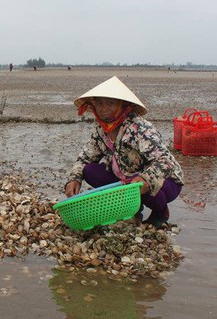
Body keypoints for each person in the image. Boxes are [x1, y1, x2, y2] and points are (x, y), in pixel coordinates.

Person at [64, 76, 184, 228]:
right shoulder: (101, 130)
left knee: (136, 182)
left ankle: (160, 212)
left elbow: (164, 161)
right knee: (89, 171)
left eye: (110, 103)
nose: (103, 108)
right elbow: (85, 158)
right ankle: (134, 207)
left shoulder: (139, 128)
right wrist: (74, 178)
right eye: (99, 103)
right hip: (126, 178)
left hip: (166, 181)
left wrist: (146, 179)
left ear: (123, 105)